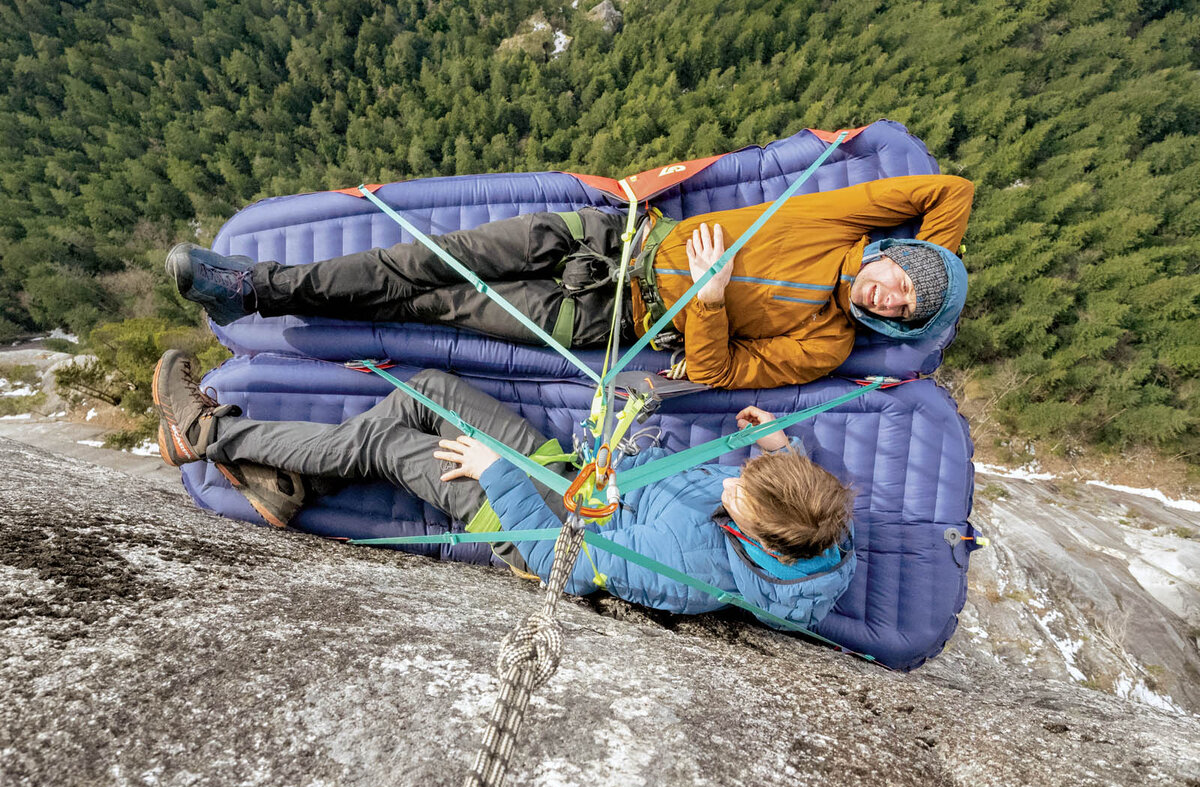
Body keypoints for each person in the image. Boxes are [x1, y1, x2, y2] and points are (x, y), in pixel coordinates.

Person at [153, 349, 858, 627]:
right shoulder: (819, 523)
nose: (731, 480)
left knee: (386, 442)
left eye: (741, 492)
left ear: (760, 540)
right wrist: (778, 448)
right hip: (573, 476)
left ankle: (209, 437)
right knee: (426, 390)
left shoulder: (690, 567)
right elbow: (782, 495)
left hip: (526, 523)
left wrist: (496, 473)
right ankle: (283, 484)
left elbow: (574, 567)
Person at [168, 174, 974, 389]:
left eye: (905, 311)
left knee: (428, 302)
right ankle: (253, 284)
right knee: (414, 262)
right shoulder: (847, 225)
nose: (892, 295)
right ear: (895, 255)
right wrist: (942, 268)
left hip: (600, 314)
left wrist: (714, 302)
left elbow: (719, 372)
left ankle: (262, 293)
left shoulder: (828, 344)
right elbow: (952, 192)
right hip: (604, 235)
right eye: (904, 281)